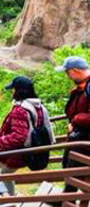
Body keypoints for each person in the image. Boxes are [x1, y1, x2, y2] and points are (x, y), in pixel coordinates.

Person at [0, 76, 53, 198]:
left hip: (18, 153)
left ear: (19, 90)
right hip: (29, 150)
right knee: (5, 173)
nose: (12, 92)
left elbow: (19, 136)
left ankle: (4, 196)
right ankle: (10, 197)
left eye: (13, 89)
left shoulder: (20, 110)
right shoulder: (38, 106)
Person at [59, 56, 90, 196]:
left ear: (76, 71)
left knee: (73, 169)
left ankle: (65, 199)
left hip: (85, 140)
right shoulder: (82, 88)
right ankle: (66, 198)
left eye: (68, 72)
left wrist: (76, 120)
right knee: (69, 167)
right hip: (79, 137)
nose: (67, 76)